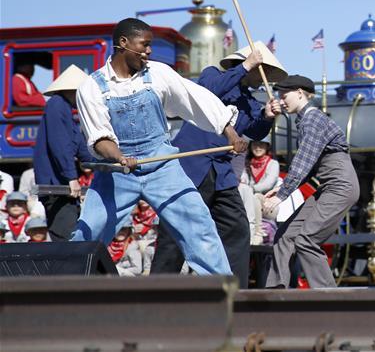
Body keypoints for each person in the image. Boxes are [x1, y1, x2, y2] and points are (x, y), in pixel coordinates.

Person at [72, 17, 247, 277]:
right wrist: (120, 157)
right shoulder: (92, 88)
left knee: (198, 224)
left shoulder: (158, 74)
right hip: (117, 172)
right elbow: (99, 138)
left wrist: (230, 132)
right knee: (89, 232)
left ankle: (222, 288)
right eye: (144, 44)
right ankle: (67, 287)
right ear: (123, 43)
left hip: (162, 166)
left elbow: (196, 99)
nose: (149, 51)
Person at [151, 41, 285, 288]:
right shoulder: (212, 75)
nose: (265, 78)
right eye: (263, 71)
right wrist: (245, 67)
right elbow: (207, 91)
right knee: (176, 230)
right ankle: (157, 292)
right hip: (191, 166)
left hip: (221, 173)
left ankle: (234, 291)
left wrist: (267, 116)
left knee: (237, 229)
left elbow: (255, 131)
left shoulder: (250, 102)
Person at [264, 75, 359, 289]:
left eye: (284, 95)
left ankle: (328, 296)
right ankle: (275, 291)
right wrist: (280, 188)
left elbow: (302, 163)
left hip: (339, 186)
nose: (281, 100)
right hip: (328, 187)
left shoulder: (312, 119)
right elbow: (307, 169)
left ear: (300, 93)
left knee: (306, 240)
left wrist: (280, 197)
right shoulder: (305, 120)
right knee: (285, 235)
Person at [32, 65, 94, 241]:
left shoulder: (64, 108)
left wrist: (108, 161)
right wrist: (71, 177)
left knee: (71, 233)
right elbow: (60, 145)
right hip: (56, 186)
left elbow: (80, 147)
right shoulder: (57, 105)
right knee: (66, 237)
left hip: (61, 184)